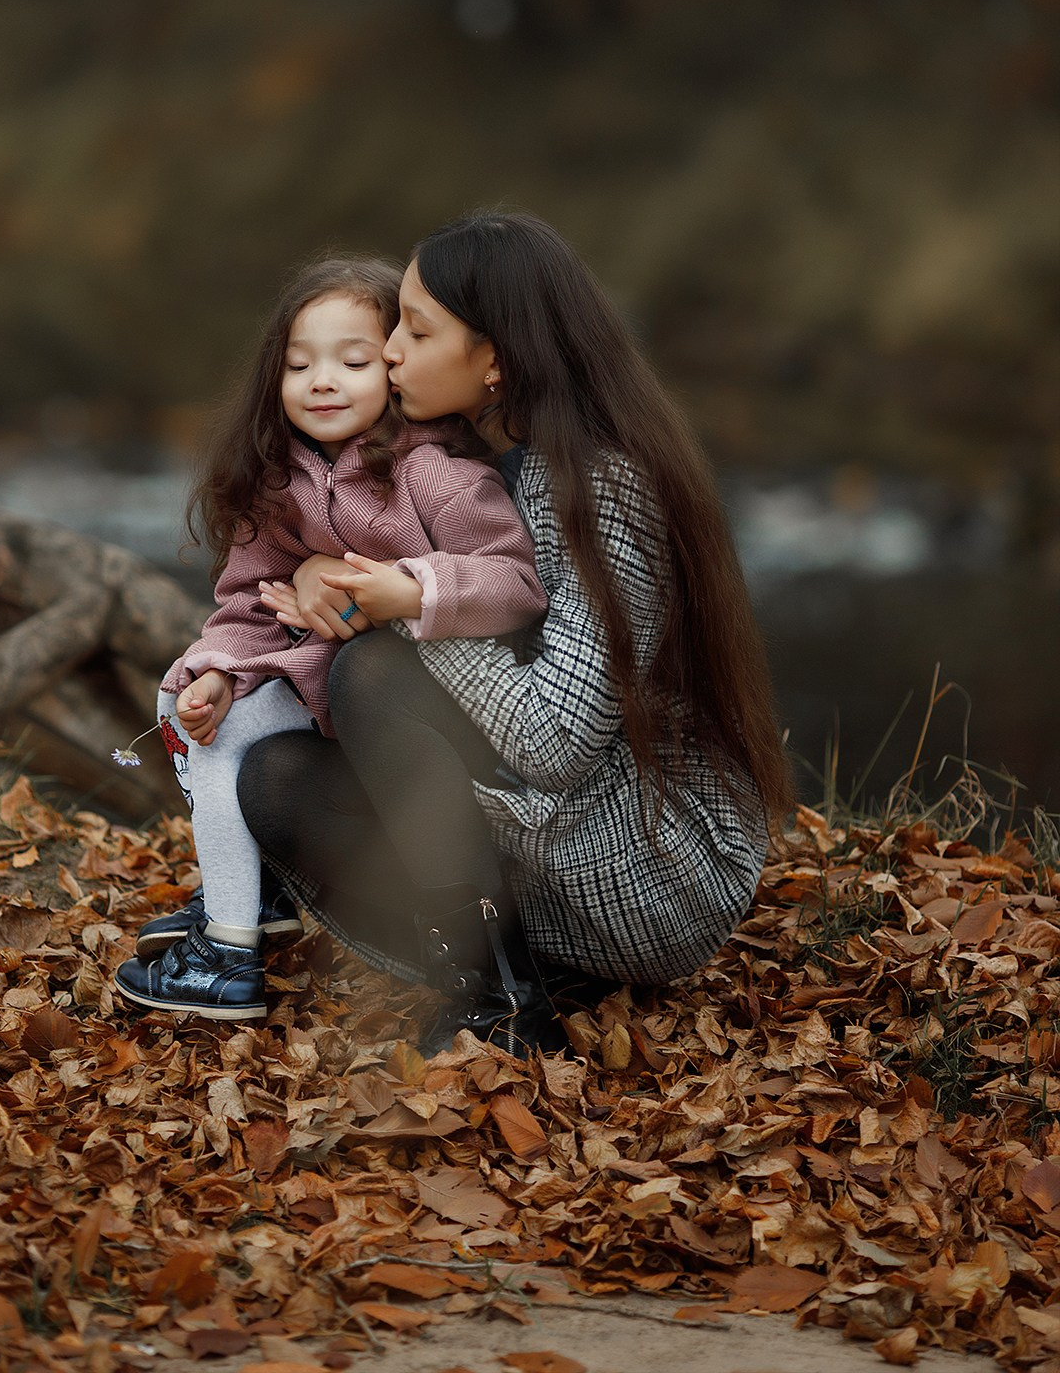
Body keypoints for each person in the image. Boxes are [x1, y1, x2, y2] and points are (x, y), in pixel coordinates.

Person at [238, 212, 792, 1057]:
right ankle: (510, 975)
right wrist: (326, 571)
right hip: (563, 830)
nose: (389, 352)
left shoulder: (605, 488)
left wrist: (406, 605)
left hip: (655, 869)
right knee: (277, 782)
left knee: (373, 673)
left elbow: (556, 739)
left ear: (495, 359)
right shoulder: (504, 467)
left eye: (415, 331)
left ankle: (501, 1003)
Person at [113, 255, 547, 1021]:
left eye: (352, 362)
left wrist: (410, 588)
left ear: (394, 368)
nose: (322, 382)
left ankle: (233, 937)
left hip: (420, 721)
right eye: (299, 364)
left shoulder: (434, 474)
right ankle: (240, 920)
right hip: (316, 683)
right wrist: (221, 671)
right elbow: (248, 602)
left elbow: (515, 582)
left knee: (235, 720)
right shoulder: (278, 479)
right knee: (191, 711)